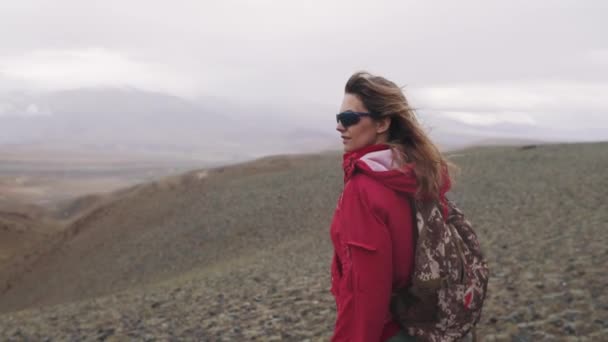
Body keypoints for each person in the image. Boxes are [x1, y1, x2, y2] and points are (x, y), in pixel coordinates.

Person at [329, 71, 453, 342]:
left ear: (382, 123)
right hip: (425, 323)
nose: (340, 127)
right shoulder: (420, 173)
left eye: (349, 119)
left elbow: (365, 292)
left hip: (388, 330)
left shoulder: (363, 190)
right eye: (339, 119)